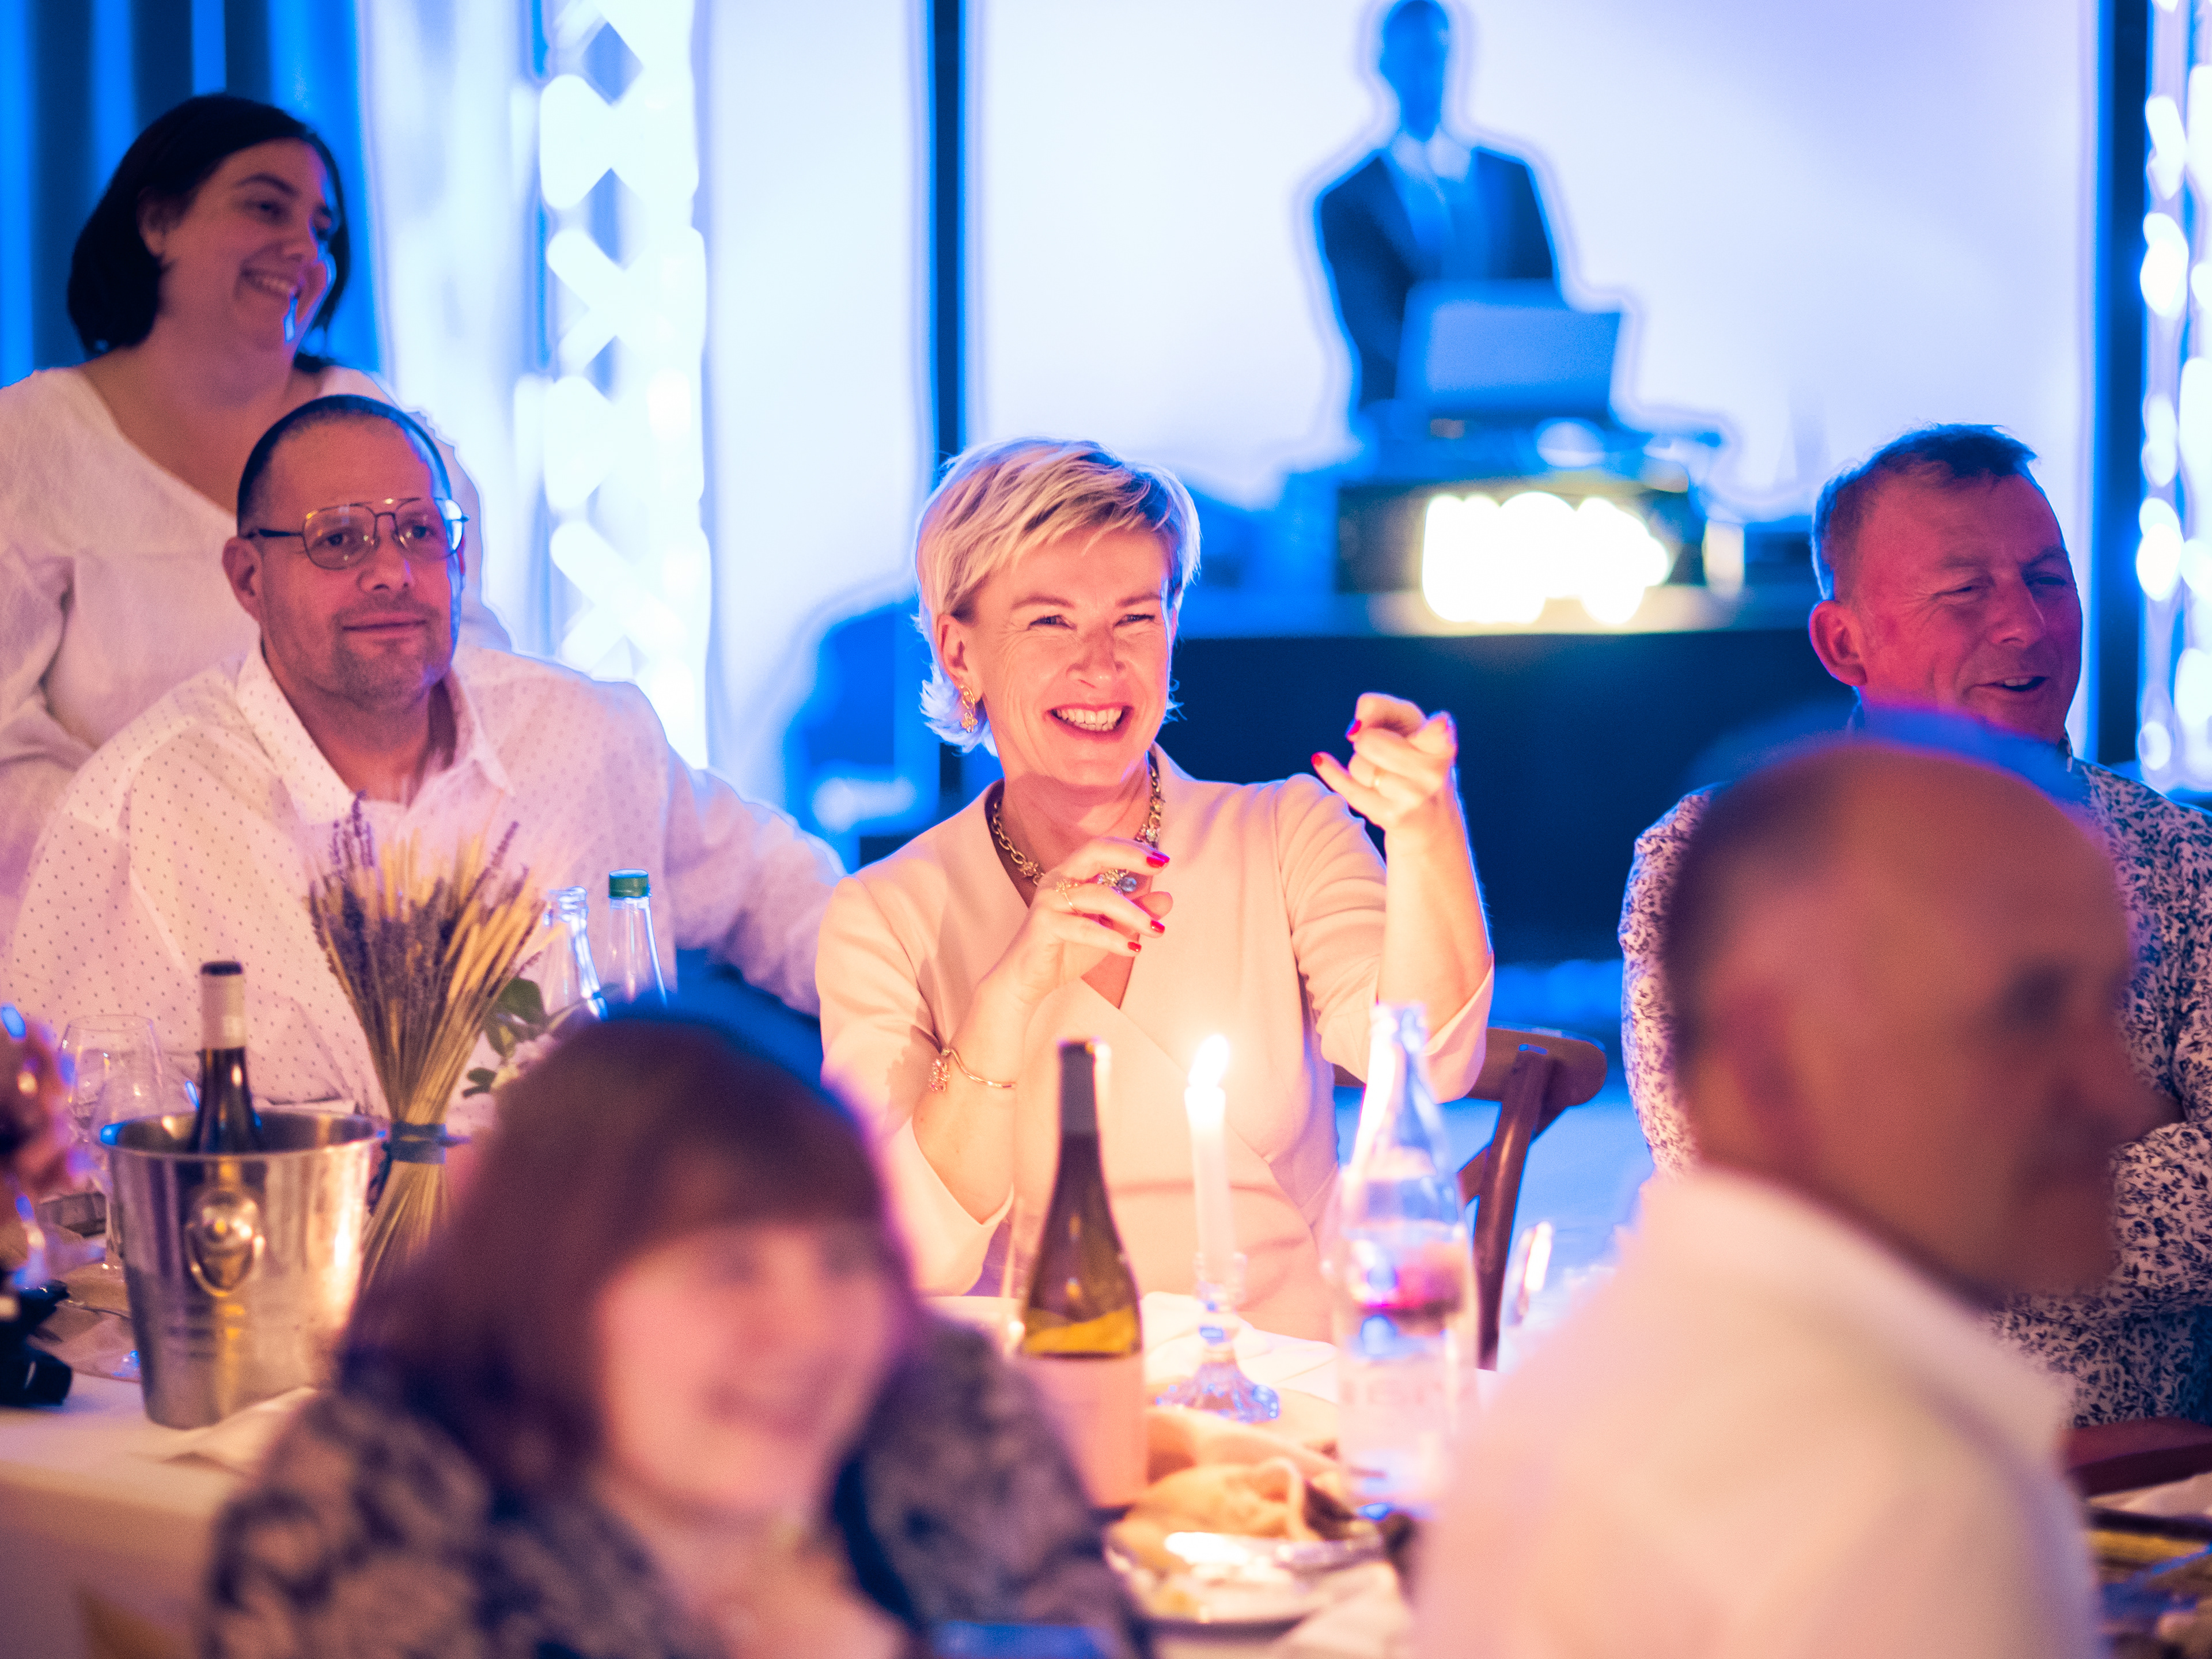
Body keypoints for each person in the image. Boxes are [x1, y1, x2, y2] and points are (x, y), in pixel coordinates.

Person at [1422, 744, 2147, 1659]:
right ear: (1776, 1057)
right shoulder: (1908, 1504)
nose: (2122, 1095)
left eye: (2113, 1001)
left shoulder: (1597, 1372)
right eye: (2030, 1006)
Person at [3, 397, 839, 1135]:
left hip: (576, 1250)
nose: (390, 573)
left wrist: (904, 1016)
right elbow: (40, 1141)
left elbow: (782, 897)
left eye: (420, 532)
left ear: (460, 560)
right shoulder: (137, 809)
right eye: (338, 540)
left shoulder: (588, 737)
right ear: (249, 579)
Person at [200, 1014, 1147, 1659]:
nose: (804, 1330)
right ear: (556, 1287)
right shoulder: (385, 1511)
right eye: (728, 1268)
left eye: (842, 1260)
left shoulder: (954, 1423)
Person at [816, 440, 1494, 1338]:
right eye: (1051, 622)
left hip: (1280, 1377)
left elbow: (1434, 1064)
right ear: (959, 652)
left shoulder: (1287, 832)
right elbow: (903, 1255)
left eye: (1135, 618)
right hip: (1033, 1391)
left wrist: (1424, 830)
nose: (1102, 666)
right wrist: (1011, 996)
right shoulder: (882, 916)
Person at [1619, 424, 2212, 1423]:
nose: (2026, 624)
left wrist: (1920, 1167)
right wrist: (2088, 1162)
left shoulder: (2181, 856)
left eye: (2049, 580)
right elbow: (1739, 1186)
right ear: (1843, 643)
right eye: (1965, 592)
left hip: (2136, 1467)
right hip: (1814, 1440)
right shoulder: (1722, 853)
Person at [0, 93, 508, 957]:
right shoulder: (32, 443)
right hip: (118, 931)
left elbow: (469, 676)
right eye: (266, 207)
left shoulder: (382, 428)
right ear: (157, 222)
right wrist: (200, 857)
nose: (305, 249)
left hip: (377, 923)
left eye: (323, 229)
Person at [1315, 0, 1560, 415]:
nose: (1426, 73)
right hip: (1403, 419)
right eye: (1412, 57)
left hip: (1510, 414)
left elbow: (1544, 301)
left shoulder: (1513, 178)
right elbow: (1371, 327)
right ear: (1383, 65)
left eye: (1436, 56)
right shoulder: (1346, 200)